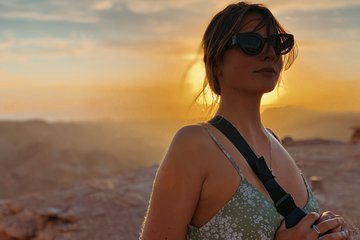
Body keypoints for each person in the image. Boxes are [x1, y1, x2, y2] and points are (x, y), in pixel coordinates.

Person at [140, 2, 351, 240]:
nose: (270, 53)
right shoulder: (194, 145)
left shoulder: (275, 141)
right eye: (251, 43)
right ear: (217, 62)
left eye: (277, 43)